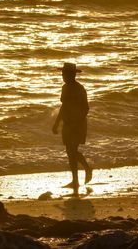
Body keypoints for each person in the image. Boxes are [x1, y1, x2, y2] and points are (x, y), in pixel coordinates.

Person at [52, 62, 92, 195]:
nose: (63, 75)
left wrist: (77, 122)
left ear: (72, 74)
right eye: (62, 73)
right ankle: (75, 180)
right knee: (70, 152)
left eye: (65, 73)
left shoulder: (80, 89)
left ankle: (86, 168)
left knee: (72, 150)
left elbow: (86, 108)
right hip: (68, 123)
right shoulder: (65, 88)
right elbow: (63, 107)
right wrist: (57, 123)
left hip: (77, 124)